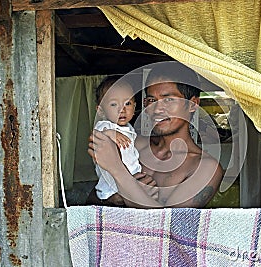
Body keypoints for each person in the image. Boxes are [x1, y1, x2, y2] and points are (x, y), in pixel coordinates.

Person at [89, 62, 223, 208]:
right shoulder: (132, 144)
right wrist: (113, 198)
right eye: (152, 100)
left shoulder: (205, 168)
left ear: (192, 104)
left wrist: (118, 171)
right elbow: (88, 202)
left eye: (168, 99)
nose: (157, 109)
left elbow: (169, 227)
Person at [86, 76, 158, 206]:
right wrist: (111, 133)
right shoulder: (106, 126)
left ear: (135, 106)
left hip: (129, 182)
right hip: (111, 186)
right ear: (101, 110)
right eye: (114, 104)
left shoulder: (129, 129)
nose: (122, 109)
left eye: (128, 103)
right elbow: (98, 133)